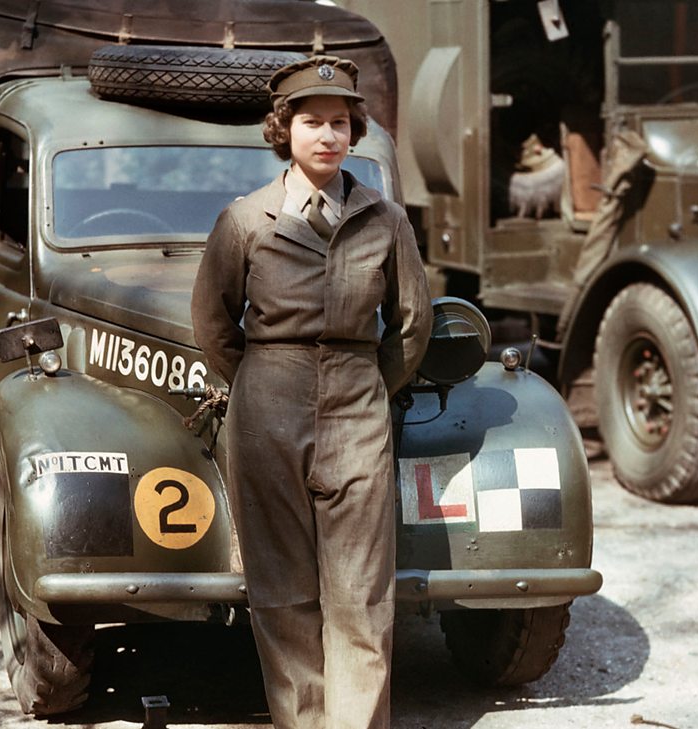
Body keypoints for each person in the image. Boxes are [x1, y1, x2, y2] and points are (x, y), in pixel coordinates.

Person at [190, 56, 432, 729]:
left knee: (361, 591)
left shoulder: (385, 220)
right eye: (312, 122)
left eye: (340, 123)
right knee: (282, 590)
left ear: (355, 133)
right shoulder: (246, 219)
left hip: (358, 407)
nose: (328, 135)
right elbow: (213, 321)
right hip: (268, 407)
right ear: (283, 129)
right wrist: (258, 385)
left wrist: (368, 385)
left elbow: (413, 323)